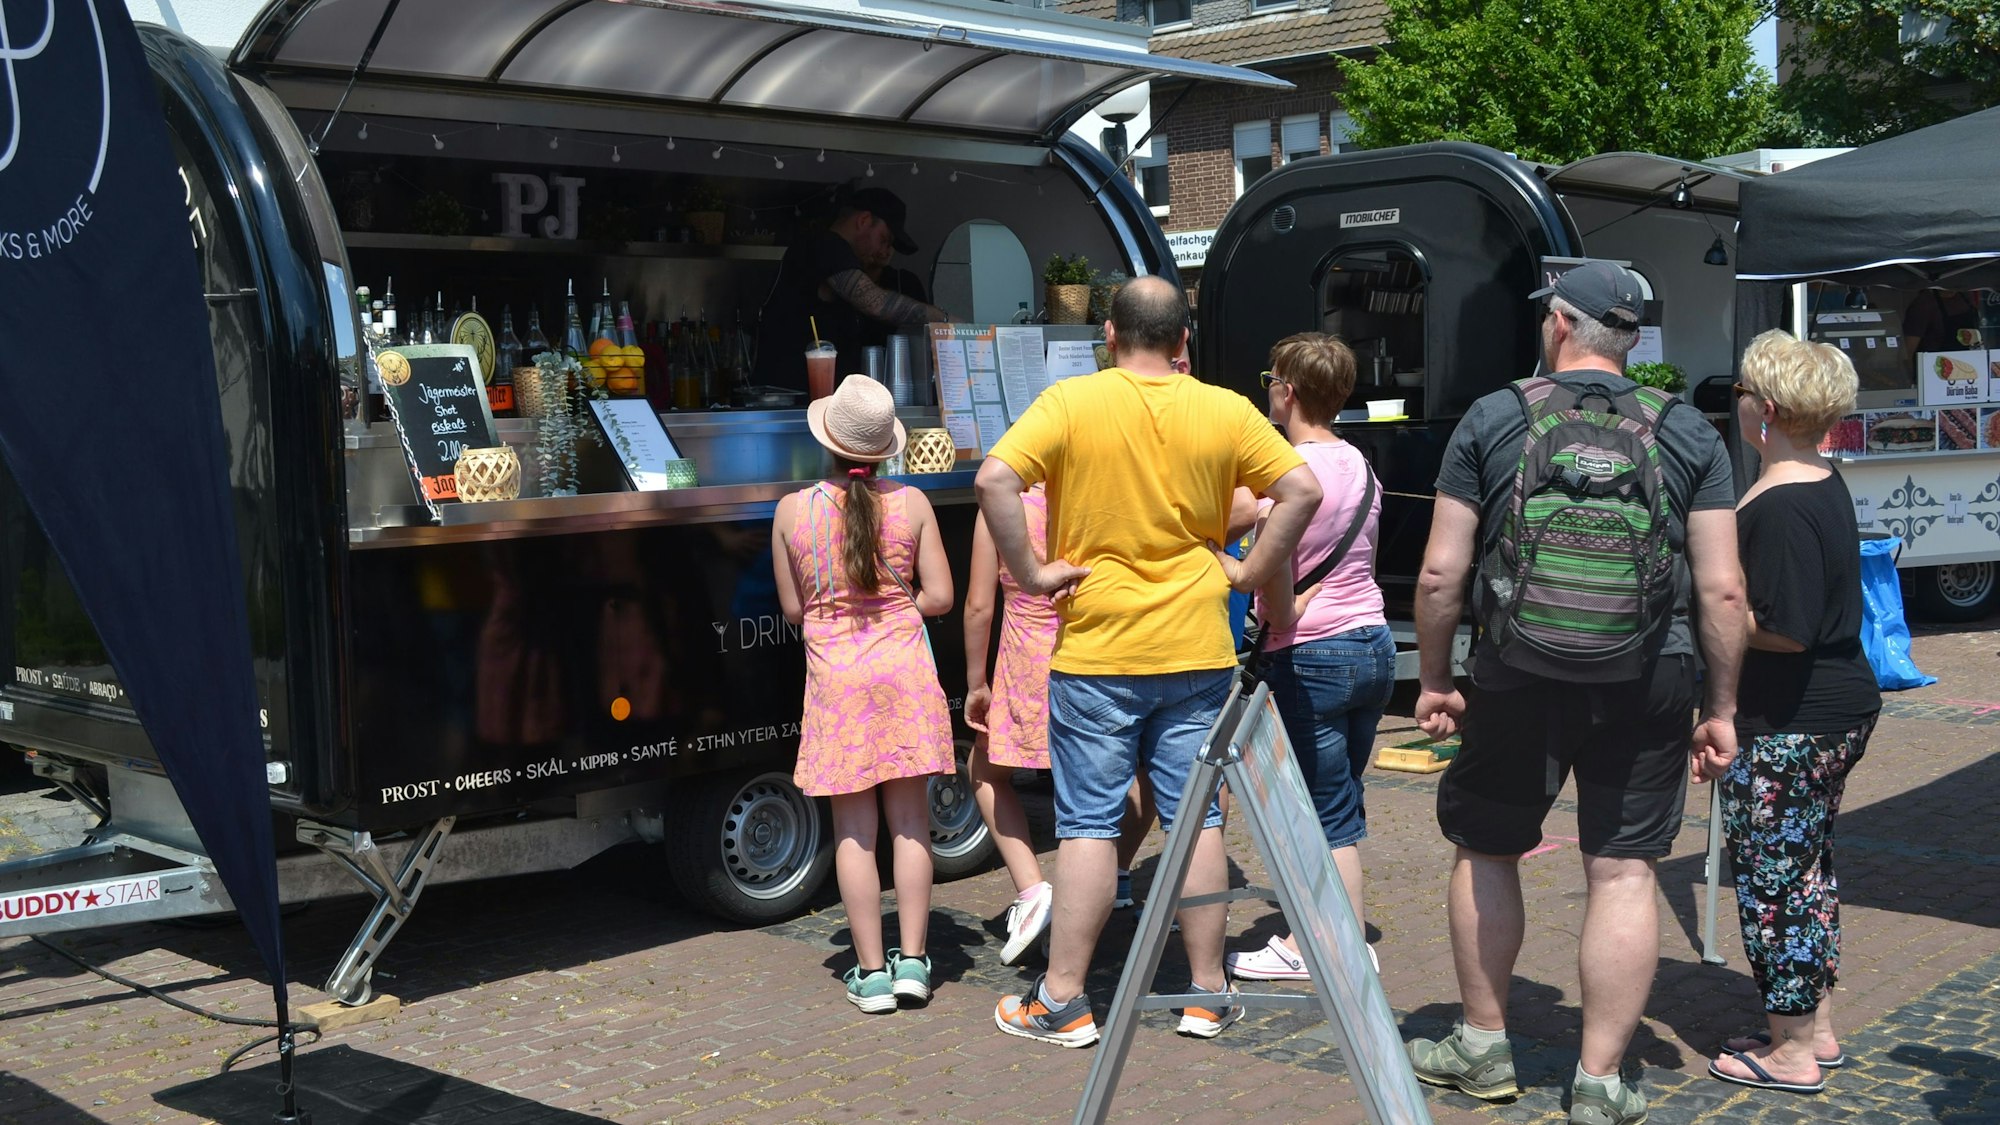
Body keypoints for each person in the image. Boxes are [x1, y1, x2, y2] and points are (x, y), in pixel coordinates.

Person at [1406, 260, 1747, 1125]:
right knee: (1625, 867)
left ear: (1560, 323)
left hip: (1515, 669)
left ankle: (1483, 1043)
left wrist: (1439, 678)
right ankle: (1599, 1079)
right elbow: (1723, 591)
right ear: (1628, 339)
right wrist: (1723, 707)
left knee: (1488, 847)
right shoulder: (1688, 433)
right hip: (1650, 670)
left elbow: (1443, 571)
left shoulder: (1494, 415)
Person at [975, 275, 1323, 1048]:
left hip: (1097, 646)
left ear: (1108, 334)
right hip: (1196, 644)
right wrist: (1251, 569)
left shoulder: (1072, 402)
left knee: (1089, 824)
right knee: (1195, 814)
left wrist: (1032, 573)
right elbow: (1300, 490)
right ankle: (1206, 992)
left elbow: (994, 478)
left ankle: (1063, 998)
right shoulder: (1226, 407)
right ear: (1183, 341)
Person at [1707, 330, 1880, 1095]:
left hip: (1791, 719)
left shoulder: (1778, 501)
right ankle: (1813, 1025)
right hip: (1833, 707)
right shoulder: (1820, 477)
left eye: (1742, 391)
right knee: (1807, 872)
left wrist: (1715, 613)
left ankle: (1790, 1050)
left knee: (1776, 880)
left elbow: (1785, 624)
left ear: (1766, 408)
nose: (1737, 402)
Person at [771, 374, 955, 1014]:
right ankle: (914, 963)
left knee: (854, 830)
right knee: (910, 823)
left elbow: (793, 610)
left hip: (837, 683)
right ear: (883, 450)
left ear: (828, 442)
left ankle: (871, 973)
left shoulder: (793, 512)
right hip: (904, 673)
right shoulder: (913, 505)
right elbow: (941, 598)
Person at [1223, 332, 1392, 982]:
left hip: (1312, 653)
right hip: (1370, 642)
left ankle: (1321, 944)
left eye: (1271, 376)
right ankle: (1335, 936)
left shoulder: (1289, 472)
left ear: (1288, 390)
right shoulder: (1360, 463)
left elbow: (1273, 579)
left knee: (1323, 812)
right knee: (1342, 798)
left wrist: (1269, 609)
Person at [962, 485, 1058, 965]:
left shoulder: (1003, 506)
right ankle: (1114, 875)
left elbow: (980, 606)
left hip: (1026, 660)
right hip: (1093, 653)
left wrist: (976, 681)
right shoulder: (1096, 490)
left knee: (985, 772)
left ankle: (1033, 888)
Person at [751, 187, 949, 391]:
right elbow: (875, 302)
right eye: (884, 239)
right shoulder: (825, 245)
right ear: (863, 220)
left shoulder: (828, 251)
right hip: (790, 398)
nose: (884, 251)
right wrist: (945, 320)